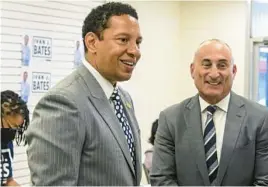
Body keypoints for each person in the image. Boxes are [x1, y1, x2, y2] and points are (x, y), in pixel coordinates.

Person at [26, 2, 143, 186]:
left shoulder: (123, 98)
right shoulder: (63, 103)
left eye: (138, 42)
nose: (135, 51)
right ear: (92, 42)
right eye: (123, 40)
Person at [150, 39, 268, 186]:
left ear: (234, 71)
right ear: (192, 70)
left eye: (222, 65)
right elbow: (161, 179)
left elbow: (264, 181)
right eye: (206, 65)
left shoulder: (260, 118)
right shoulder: (170, 119)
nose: (213, 73)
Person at [1, 90, 30, 186]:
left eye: (16, 128)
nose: (12, 132)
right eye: (11, 126)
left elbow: (7, 181)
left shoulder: (7, 143)